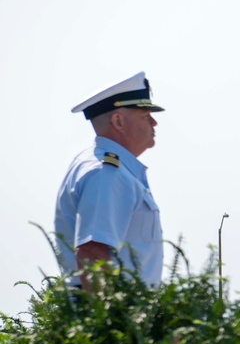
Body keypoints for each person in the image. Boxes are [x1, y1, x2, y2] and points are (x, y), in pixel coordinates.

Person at [55, 72, 165, 291]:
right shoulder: (107, 173)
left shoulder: (108, 168)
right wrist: (108, 323)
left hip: (124, 314)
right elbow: (93, 254)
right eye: (145, 115)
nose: (154, 122)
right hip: (117, 316)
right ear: (118, 121)